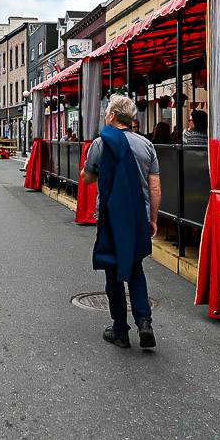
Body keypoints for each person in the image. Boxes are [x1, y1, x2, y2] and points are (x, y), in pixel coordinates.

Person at [81, 94, 161, 350]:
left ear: (113, 116)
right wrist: (154, 218)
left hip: (112, 217)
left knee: (113, 272)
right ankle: (144, 321)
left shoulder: (101, 143)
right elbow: (155, 187)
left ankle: (120, 330)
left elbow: (88, 178)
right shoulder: (147, 145)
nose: (105, 115)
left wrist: (87, 171)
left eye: (107, 112)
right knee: (135, 268)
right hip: (138, 216)